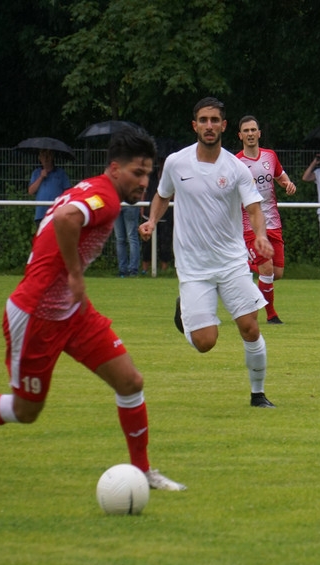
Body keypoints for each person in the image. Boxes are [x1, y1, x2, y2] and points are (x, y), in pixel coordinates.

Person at [0, 126, 186, 492]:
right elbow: (65, 219)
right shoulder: (105, 197)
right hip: (36, 314)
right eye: (137, 173)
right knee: (25, 410)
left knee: (130, 382)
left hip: (73, 312)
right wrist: (75, 275)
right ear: (114, 168)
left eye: (148, 174)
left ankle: (142, 472)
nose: (145, 182)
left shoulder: (95, 188)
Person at [139, 97, 276, 409]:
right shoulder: (176, 162)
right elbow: (162, 195)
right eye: (204, 120)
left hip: (231, 262)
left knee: (250, 327)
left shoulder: (236, 168)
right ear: (195, 125)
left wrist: (260, 236)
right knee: (205, 342)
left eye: (215, 120)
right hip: (194, 266)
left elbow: (254, 207)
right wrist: (151, 221)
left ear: (224, 126)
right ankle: (185, 315)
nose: (209, 125)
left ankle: (258, 395)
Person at [236, 115, 297, 323]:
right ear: (240, 135)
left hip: (273, 222)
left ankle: (242, 265)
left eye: (253, 130)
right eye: (246, 131)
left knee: (276, 272)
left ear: (259, 133)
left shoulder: (270, 156)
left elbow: (280, 177)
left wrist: (288, 184)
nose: (250, 134)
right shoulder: (236, 163)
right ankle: (271, 316)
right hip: (250, 225)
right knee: (267, 269)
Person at [28, 148, 71, 227]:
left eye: (48, 155)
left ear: (52, 157)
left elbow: (68, 192)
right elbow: (31, 191)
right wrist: (41, 177)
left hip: (57, 213)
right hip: (41, 214)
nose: (46, 158)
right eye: (43, 156)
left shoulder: (61, 173)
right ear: (40, 158)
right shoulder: (36, 173)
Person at [114, 203, 141, 277]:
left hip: (118, 204)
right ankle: (132, 270)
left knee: (120, 239)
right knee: (131, 238)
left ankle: (123, 270)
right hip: (130, 204)